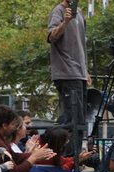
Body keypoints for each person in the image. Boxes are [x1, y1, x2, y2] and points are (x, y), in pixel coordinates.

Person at [47, 0, 91, 142]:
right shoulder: (58, 11)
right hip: (67, 72)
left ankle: (75, 153)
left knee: (80, 120)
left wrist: (85, 70)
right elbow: (51, 37)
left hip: (80, 73)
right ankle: (70, 154)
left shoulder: (80, 13)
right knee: (73, 120)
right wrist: (65, 22)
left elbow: (81, 44)